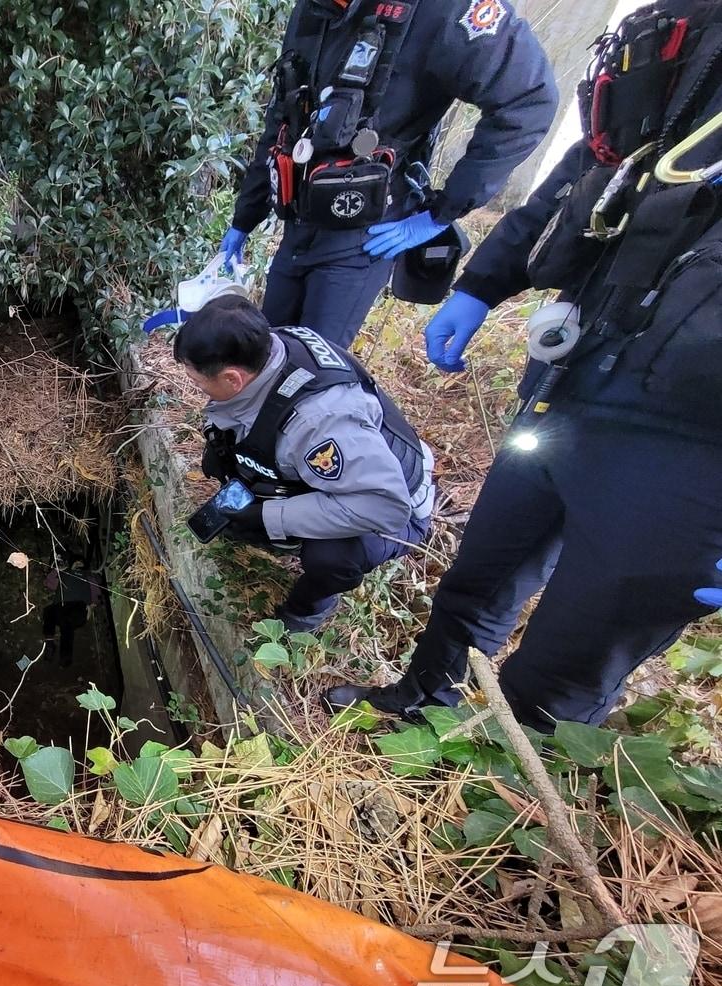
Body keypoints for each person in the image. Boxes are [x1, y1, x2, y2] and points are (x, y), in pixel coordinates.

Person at [327, 0, 722, 730]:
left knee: (565, 659)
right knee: (478, 579)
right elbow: (586, 168)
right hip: (578, 376)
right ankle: (423, 703)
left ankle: (505, 806)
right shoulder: (684, 38)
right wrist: (483, 282)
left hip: (697, 450)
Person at [219, 0, 556, 349]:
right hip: (299, 219)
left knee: (317, 370)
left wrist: (442, 212)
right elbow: (284, 115)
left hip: (369, 231)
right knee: (266, 354)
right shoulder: (314, 8)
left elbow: (528, 103)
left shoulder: (446, 10)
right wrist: (246, 215)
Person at [178, 294, 435, 632]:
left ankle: (306, 612)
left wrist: (269, 516)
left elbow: (384, 507)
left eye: (198, 382)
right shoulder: (268, 347)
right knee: (220, 456)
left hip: (393, 509)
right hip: (345, 476)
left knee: (331, 557)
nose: (196, 389)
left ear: (232, 379)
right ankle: (274, 529)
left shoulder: (319, 421)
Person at [42, 554, 101, 667]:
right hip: (61, 608)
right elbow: (48, 583)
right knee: (49, 611)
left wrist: (91, 609)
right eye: (76, 562)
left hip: (78, 609)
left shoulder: (88, 577)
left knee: (68, 625)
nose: (79, 563)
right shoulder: (64, 574)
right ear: (71, 564)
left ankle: (65, 658)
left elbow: (96, 596)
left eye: (81, 563)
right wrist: (57, 570)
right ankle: (50, 644)